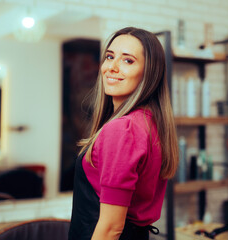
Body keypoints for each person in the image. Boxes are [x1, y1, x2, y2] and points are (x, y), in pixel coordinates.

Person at [68, 27, 179, 240]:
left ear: (149, 73)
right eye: (110, 57)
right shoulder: (150, 123)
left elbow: (111, 228)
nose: (112, 67)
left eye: (128, 61)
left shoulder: (123, 129)